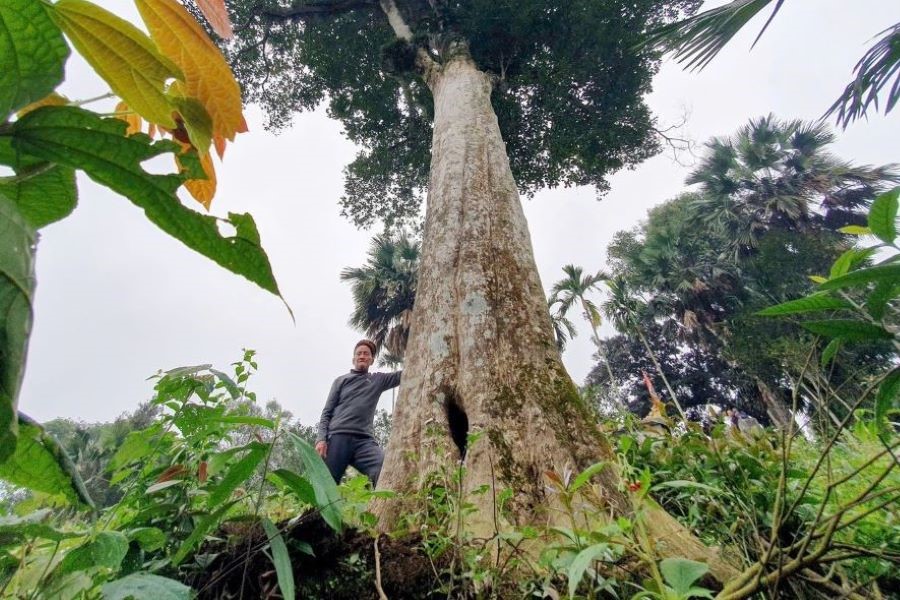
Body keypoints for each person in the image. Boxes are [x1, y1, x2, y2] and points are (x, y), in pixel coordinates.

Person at [315, 339, 401, 485]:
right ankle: (316, 509)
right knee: (325, 486)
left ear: (371, 360)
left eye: (366, 354)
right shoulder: (341, 381)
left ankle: (377, 507)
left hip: (364, 441)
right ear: (354, 359)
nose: (362, 356)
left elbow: (404, 374)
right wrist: (321, 439)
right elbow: (327, 412)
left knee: (384, 470)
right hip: (338, 437)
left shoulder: (377, 380)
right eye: (359, 353)